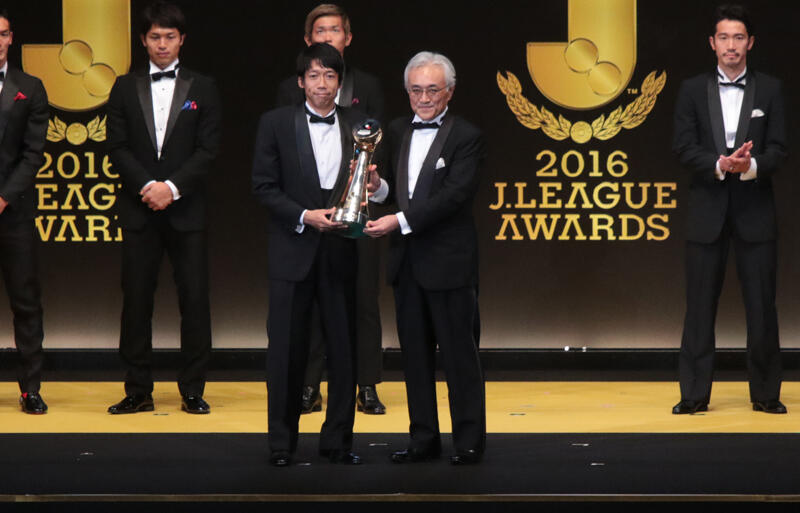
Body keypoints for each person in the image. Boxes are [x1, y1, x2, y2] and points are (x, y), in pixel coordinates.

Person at [364, 51, 486, 464]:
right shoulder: (397, 129)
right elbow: (397, 193)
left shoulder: (467, 136)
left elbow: (454, 197)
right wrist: (378, 187)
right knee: (414, 359)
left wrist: (397, 221)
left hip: (449, 264)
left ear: (449, 91)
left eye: (433, 89)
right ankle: (423, 439)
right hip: (407, 264)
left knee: (459, 359)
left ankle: (468, 441)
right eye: (416, 90)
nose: (424, 98)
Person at [253, 43, 370, 467]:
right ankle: (281, 443)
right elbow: (263, 186)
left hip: (340, 251)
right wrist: (305, 216)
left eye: (330, 76)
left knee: (343, 349)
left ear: (341, 82)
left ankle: (338, 441)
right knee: (286, 350)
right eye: (315, 76)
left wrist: (375, 188)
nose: (323, 84)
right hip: (293, 249)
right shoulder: (275, 123)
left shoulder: (360, 126)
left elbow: (373, 189)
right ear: (301, 81)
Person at [107, 1, 221, 415]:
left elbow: (209, 149)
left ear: (182, 40)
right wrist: (148, 187)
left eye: (169, 37)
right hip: (139, 209)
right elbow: (116, 146)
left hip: (186, 210)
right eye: (155, 36)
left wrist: (171, 188)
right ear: (143, 40)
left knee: (195, 301)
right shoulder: (123, 86)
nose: (162, 44)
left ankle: (193, 388)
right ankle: (137, 389)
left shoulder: (203, 86)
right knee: (136, 302)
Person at [672, 4, 787, 415]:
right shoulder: (691, 89)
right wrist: (720, 164)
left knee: (762, 306)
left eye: (739, 37)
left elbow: (779, 149)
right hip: (707, 210)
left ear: (750, 42)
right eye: (724, 37)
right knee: (699, 306)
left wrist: (749, 166)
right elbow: (683, 147)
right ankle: (693, 395)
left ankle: (766, 394)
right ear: (712, 43)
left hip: (755, 210)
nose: (731, 45)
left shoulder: (770, 89)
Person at [275, 3, 386, 416]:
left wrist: (366, 190)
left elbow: (378, 143)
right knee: (311, 302)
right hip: (310, 212)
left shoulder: (368, 85)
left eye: (334, 30)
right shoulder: (289, 88)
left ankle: (367, 383)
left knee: (364, 298)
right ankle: (309, 383)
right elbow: (285, 152)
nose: (327, 37)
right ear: (308, 40)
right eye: (319, 31)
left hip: (357, 208)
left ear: (348, 37)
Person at [0, 8, 49, 414]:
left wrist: (2, 197)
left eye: (1, 34)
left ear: (11, 37)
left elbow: (33, 154)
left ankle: (30, 389)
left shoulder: (30, 88)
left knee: (26, 302)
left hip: (14, 212)